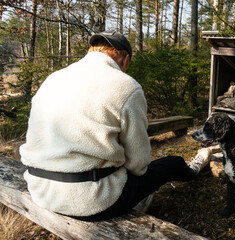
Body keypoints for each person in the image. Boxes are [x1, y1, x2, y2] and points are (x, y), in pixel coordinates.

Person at [19, 30, 210, 221]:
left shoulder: (53, 78)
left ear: (91, 52)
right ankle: (192, 170)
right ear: (125, 60)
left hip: (41, 190)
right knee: (171, 163)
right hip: (90, 201)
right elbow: (138, 165)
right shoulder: (127, 86)